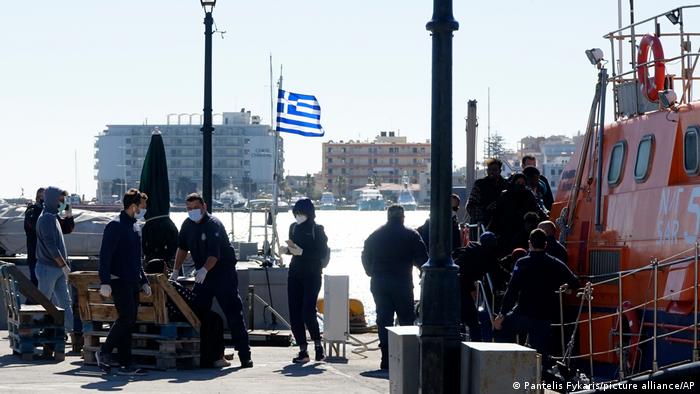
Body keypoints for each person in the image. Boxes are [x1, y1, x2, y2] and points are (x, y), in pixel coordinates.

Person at [172, 193, 253, 368]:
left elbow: (214, 255)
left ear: (204, 207)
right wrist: (176, 270)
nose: (192, 211)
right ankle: (206, 353)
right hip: (203, 275)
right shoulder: (187, 225)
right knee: (196, 311)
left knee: (233, 313)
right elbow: (182, 248)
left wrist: (203, 270)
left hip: (222, 273)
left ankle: (245, 355)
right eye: (189, 208)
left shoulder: (213, 225)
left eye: (195, 207)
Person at [494, 229, 579, 370]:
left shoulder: (522, 263)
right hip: (543, 317)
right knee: (541, 357)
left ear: (529, 244)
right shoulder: (554, 263)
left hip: (522, 313)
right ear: (545, 244)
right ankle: (539, 382)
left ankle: (507, 368)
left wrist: (502, 314)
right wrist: (567, 285)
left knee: (501, 331)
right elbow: (575, 281)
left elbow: (512, 291)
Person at [362, 205, 428, 370]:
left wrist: (371, 272)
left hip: (379, 283)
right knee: (406, 319)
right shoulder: (411, 235)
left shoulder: (375, 235)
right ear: (402, 217)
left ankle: (386, 358)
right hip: (402, 283)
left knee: (384, 319)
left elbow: (365, 256)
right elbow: (423, 259)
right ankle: (407, 356)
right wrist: (422, 273)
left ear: (388, 216)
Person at [95, 189, 151, 376]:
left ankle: (126, 362)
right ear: (134, 206)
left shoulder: (135, 227)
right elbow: (105, 256)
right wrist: (105, 281)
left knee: (129, 320)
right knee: (126, 317)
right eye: (142, 206)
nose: (143, 209)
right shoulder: (115, 226)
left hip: (133, 281)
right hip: (119, 281)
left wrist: (143, 280)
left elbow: (137, 258)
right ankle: (104, 352)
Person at [143, 259, 229, 368]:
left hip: (158, 315)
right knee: (215, 319)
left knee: (208, 317)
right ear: (160, 271)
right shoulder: (169, 284)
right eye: (165, 268)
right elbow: (191, 299)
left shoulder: (146, 285)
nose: (168, 271)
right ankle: (215, 358)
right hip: (179, 315)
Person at [279, 198, 328, 364]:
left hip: (312, 274)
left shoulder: (317, 229)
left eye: (301, 213)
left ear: (309, 213)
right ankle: (302, 350)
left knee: (308, 311)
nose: (298, 216)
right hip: (294, 273)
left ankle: (318, 346)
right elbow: (294, 249)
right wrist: (288, 250)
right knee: (294, 312)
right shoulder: (293, 227)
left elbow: (321, 253)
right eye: (296, 213)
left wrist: (302, 252)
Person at [35, 186, 75, 338]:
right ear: (52, 200)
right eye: (61, 200)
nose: (63, 203)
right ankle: (37, 331)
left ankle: (71, 331)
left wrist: (69, 214)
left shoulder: (53, 217)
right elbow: (51, 246)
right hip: (48, 268)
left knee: (65, 302)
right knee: (44, 302)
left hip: (56, 269)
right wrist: (64, 265)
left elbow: (68, 228)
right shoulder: (46, 218)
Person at [452, 231, 499, 341]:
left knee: (461, 320)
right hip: (461, 288)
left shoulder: (471, 251)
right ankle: (475, 348)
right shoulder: (485, 255)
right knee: (473, 323)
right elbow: (496, 270)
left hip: (454, 285)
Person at [24, 187, 75, 287]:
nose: (60, 203)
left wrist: (69, 215)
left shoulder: (51, 215)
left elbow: (66, 229)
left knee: (52, 296)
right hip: (40, 260)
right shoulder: (35, 213)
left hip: (54, 262)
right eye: (58, 200)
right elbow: (47, 238)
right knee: (38, 293)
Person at [488, 174, 547, 256]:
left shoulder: (528, 195)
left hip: (524, 231)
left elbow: (537, 208)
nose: (521, 185)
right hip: (507, 231)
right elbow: (496, 213)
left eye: (523, 183)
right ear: (513, 182)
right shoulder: (505, 195)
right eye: (518, 182)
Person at [466, 158, 508, 239]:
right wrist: (486, 209)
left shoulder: (506, 185)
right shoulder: (480, 185)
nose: (491, 172)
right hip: (482, 226)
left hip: (501, 226)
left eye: (494, 170)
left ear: (500, 171)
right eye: (489, 169)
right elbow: (470, 206)